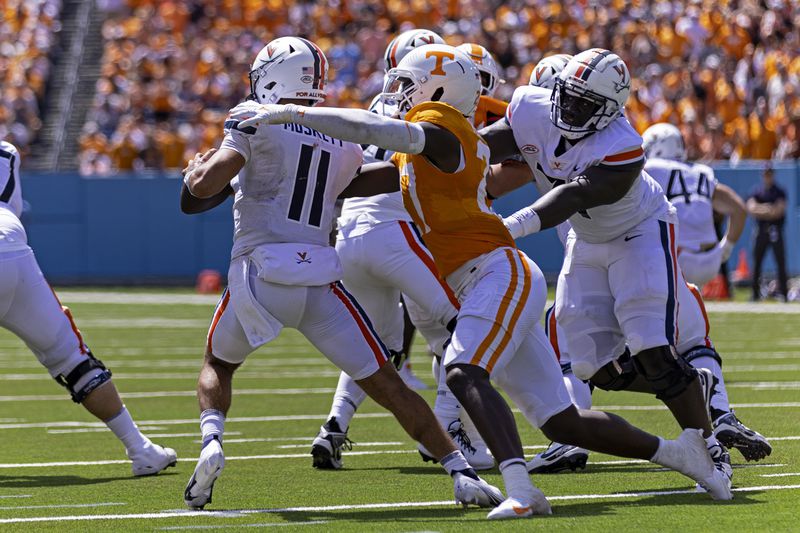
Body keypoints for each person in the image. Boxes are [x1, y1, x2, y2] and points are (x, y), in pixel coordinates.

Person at [239, 43, 732, 519]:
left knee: (462, 369)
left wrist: (290, 114)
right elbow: (366, 179)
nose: (400, 95)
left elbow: (373, 127)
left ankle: (520, 489)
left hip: (498, 271)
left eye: (409, 85)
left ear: (437, 90)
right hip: (482, 277)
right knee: (561, 420)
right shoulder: (436, 147)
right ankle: (682, 455)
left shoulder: (442, 129)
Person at [179, 36, 502, 511]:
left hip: (260, 272)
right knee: (388, 383)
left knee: (219, 364)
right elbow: (372, 180)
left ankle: (212, 444)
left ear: (270, 77)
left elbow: (203, 189)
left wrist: (195, 173)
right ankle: (461, 472)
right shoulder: (339, 132)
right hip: (319, 283)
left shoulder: (255, 118)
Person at [481, 49, 734, 488]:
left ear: (610, 112)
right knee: (590, 367)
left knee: (649, 345)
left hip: (639, 231)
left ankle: (707, 447)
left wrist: (510, 227)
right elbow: (483, 146)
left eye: (586, 104)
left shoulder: (623, 145)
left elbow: (573, 197)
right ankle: (693, 384)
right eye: (569, 96)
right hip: (587, 238)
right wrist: (443, 157)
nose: (571, 109)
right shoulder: (530, 105)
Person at [310, 28, 494, 472]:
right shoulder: (433, 112)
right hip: (399, 232)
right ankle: (448, 429)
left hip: (349, 232)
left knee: (375, 344)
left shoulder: (379, 105)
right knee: (461, 329)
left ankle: (333, 425)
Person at [0, 140, 177, 476]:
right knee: (72, 358)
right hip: (12, 252)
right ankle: (141, 449)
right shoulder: (6, 152)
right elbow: (11, 208)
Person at [643, 123, 747, 287]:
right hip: (711, 259)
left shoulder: (651, 168)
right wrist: (726, 247)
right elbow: (739, 208)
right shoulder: (701, 171)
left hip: (678, 258)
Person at [747, 166, 788, 301]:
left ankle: (784, 293)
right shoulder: (757, 191)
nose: (767, 176)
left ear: (773, 175)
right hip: (761, 231)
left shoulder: (779, 191)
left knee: (780, 262)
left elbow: (779, 210)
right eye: (765, 174)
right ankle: (755, 293)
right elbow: (751, 208)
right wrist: (768, 209)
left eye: (769, 174)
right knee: (757, 263)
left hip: (775, 230)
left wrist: (763, 210)